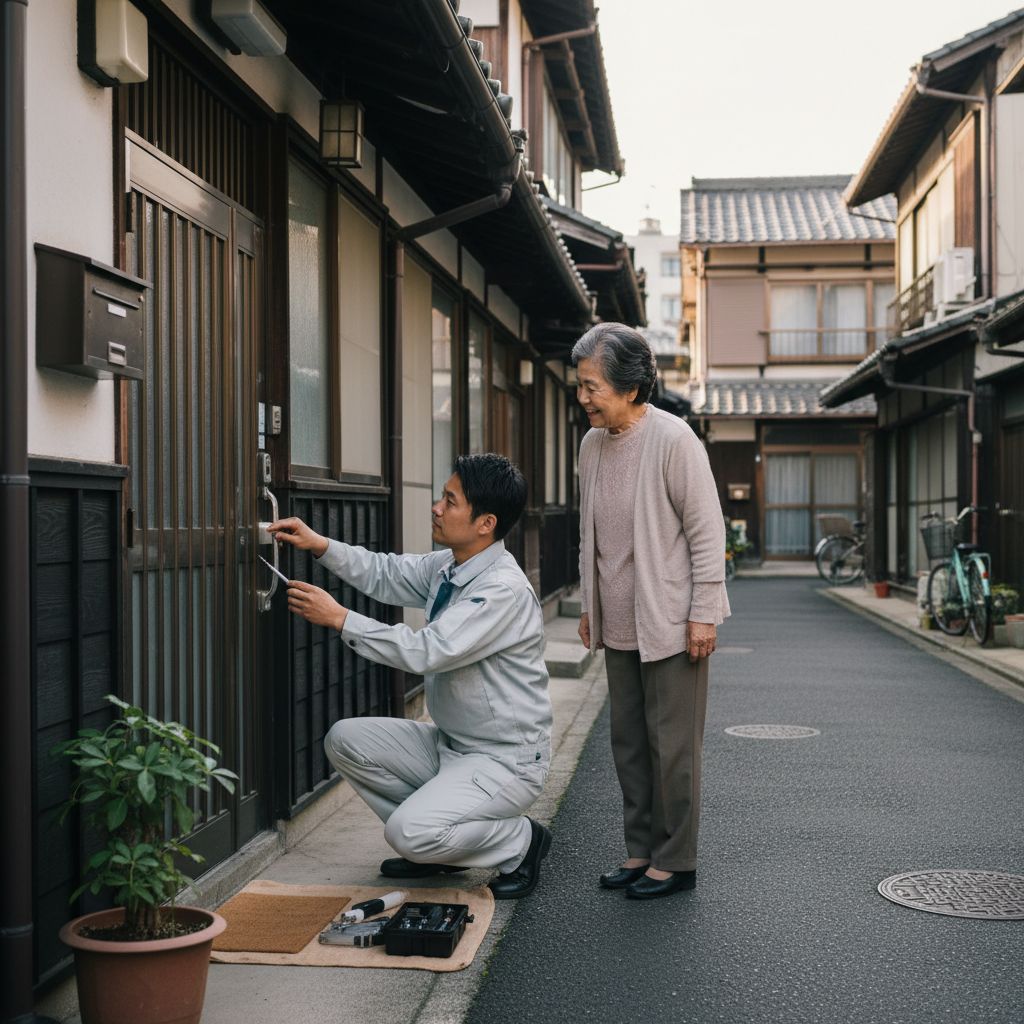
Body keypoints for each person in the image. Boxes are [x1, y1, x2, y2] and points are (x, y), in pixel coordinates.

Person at [267, 453, 553, 900]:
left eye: (450, 501)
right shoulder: (451, 565)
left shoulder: (502, 590)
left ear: (486, 523)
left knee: (406, 832)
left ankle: (519, 843)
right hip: (451, 745)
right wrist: (319, 544)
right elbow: (385, 572)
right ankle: (437, 851)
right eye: (441, 497)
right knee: (345, 739)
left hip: (505, 761)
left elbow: (428, 651)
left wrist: (341, 619)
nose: (437, 508)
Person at [574, 322, 730, 900]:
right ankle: (640, 849)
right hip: (618, 620)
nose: (584, 397)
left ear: (632, 387)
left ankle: (676, 858)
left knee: (674, 747)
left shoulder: (673, 439)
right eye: (581, 385)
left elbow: (706, 532)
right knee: (629, 742)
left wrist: (704, 612)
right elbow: (593, 535)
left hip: (670, 617)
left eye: (593, 386)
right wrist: (590, 604)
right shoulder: (591, 445)